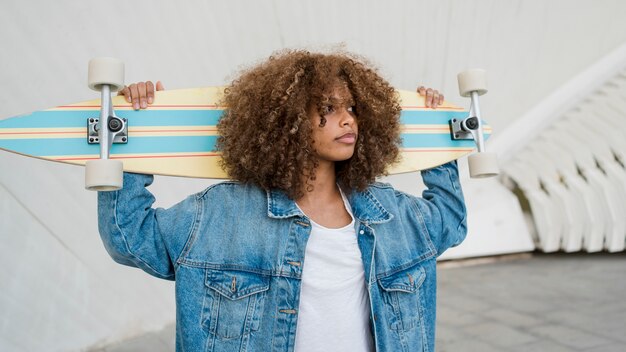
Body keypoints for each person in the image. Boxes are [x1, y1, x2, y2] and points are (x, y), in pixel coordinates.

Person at [99, 49, 466, 352]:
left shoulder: (388, 215)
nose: (347, 120)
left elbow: (450, 221)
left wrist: (437, 135)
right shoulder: (221, 213)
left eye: (353, 108)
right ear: (285, 120)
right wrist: (134, 138)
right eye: (328, 108)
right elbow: (130, 238)